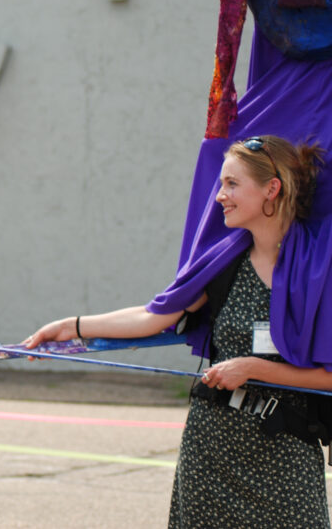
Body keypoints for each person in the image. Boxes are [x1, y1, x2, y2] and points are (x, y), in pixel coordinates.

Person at [26, 135, 331, 528]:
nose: (220, 195)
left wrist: (255, 368)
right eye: (221, 184)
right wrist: (72, 326)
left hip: (287, 455)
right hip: (211, 450)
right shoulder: (223, 263)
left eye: (232, 184)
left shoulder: (319, 270)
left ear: (272, 188)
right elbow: (153, 316)